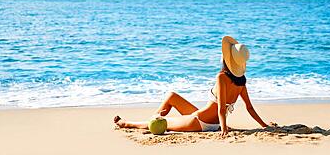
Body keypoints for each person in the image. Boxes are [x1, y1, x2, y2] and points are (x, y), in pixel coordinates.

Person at [114, 36, 274, 136]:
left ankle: (127, 124)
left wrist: (224, 129)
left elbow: (221, 109)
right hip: (211, 121)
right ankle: (153, 117)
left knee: (163, 123)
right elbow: (250, 108)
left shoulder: (222, 77)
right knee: (171, 96)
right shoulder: (241, 82)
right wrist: (264, 126)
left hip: (199, 122)